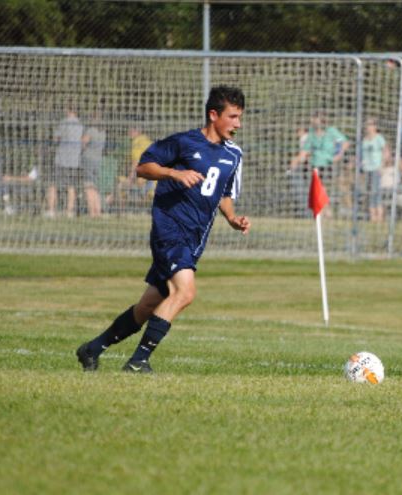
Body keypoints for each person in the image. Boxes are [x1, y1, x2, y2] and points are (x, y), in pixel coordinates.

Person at [75, 86, 250, 373]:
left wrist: (232, 219)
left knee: (146, 307)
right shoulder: (183, 143)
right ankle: (138, 361)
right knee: (185, 292)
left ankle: (92, 348)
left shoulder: (234, 155)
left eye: (240, 117)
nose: (237, 124)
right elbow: (144, 167)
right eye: (232, 117)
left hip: (195, 238)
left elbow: (224, 193)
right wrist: (174, 173)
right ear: (213, 114)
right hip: (169, 230)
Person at [289, 111, 350, 214]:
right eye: (313, 118)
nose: (313, 121)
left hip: (329, 164)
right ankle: (326, 211)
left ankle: (333, 211)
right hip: (315, 165)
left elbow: (344, 142)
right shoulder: (312, 134)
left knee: (330, 188)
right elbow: (305, 151)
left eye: (315, 118)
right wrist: (296, 161)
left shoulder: (331, 131)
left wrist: (338, 155)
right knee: (319, 190)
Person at [45, 106, 83, 218]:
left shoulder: (63, 122)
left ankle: (51, 210)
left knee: (53, 185)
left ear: (68, 110)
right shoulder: (80, 125)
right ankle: (69, 211)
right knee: (71, 186)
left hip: (62, 159)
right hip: (74, 160)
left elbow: (56, 138)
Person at [360, 118, 389, 222]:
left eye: (370, 125)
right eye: (367, 125)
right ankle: (372, 216)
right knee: (369, 193)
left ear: (375, 127)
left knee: (375, 192)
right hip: (366, 169)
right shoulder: (364, 139)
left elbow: (386, 152)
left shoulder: (379, 138)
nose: (368, 127)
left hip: (376, 169)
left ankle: (378, 217)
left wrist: (382, 166)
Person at [81, 115, 106, 217]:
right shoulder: (103, 132)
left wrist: (84, 147)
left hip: (89, 159)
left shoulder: (91, 130)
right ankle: (98, 212)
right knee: (95, 187)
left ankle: (92, 212)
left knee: (88, 186)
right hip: (98, 160)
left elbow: (83, 142)